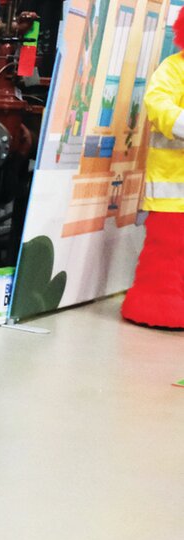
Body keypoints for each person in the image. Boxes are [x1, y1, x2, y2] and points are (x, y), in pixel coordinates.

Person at [121, 8, 184, 330]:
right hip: (175, 192)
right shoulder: (174, 68)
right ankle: (159, 308)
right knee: (168, 254)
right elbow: (157, 103)